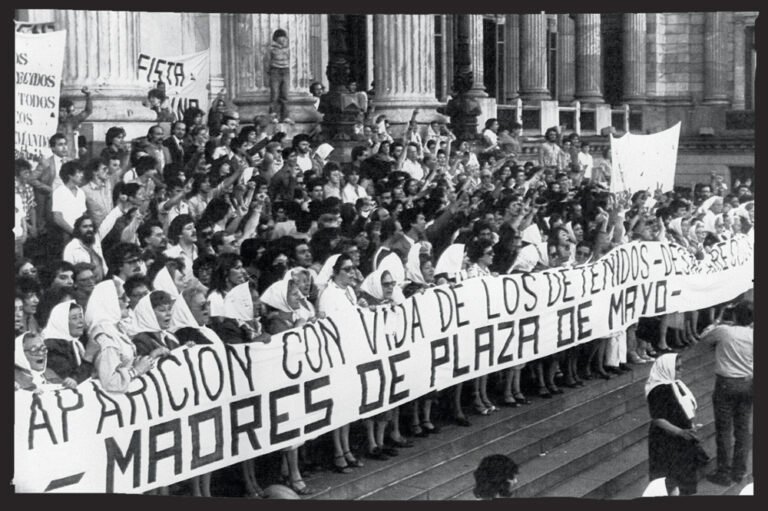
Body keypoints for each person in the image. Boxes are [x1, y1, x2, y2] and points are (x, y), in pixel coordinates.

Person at [702, 300, 753, 486]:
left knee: (724, 430)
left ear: (735, 315)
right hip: (748, 383)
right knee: (743, 429)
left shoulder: (725, 331)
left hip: (726, 383)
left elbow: (704, 337)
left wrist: (719, 320)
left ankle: (723, 472)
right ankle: (739, 471)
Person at [645, 353, 708, 495]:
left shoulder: (676, 384)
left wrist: (691, 427)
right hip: (666, 441)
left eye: (681, 367)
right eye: (677, 368)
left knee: (684, 478)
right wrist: (680, 431)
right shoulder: (658, 390)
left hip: (682, 438)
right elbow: (658, 418)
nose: (681, 371)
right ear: (666, 369)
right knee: (669, 479)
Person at [41, 300, 92, 386]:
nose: (80, 321)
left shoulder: (78, 341)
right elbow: (70, 378)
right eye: (74, 318)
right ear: (61, 323)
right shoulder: (52, 347)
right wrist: (89, 356)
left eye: (81, 316)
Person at [268, 28, 291, 122]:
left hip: (285, 71)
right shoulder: (271, 49)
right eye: (281, 38)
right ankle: (273, 116)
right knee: (275, 95)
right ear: (276, 38)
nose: (283, 40)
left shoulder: (288, 49)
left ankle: (285, 117)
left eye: (284, 38)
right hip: (275, 70)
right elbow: (267, 61)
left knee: (285, 95)